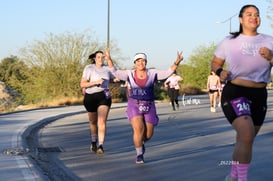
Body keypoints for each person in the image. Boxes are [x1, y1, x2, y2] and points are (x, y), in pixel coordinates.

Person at [211, 5, 273, 181]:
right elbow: (215, 62)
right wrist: (220, 72)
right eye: (249, 14)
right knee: (246, 134)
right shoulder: (229, 41)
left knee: (245, 139)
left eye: (257, 14)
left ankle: (232, 174)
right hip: (236, 91)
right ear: (240, 19)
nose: (254, 17)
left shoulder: (269, 41)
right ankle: (242, 179)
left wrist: (270, 58)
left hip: (259, 95)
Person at [106, 50, 183, 164]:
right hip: (134, 104)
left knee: (147, 135)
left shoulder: (152, 73)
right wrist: (108, 58)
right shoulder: (129, 74)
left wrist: (177, 62)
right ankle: (139, 154)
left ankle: (141, 143)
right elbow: (114, 71)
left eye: (142, 60)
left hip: (149, 105)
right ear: (134, 63)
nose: (140, 63)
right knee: (138, 129)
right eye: (138, 61)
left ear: (146, 62)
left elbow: (168, 72)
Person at [80, 50, 116, 155]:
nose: (100, 59)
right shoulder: (89, 68)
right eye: (98, 57)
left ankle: (101, 145)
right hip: (90, 97)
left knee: (102, 121)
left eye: (102, 57)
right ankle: (93, 142)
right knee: (93, 122)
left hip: (103, 96)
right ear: (94, 59)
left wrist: (116, 79)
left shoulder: (107, 69)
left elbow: (113, 74)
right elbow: (82, 84)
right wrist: (96, 82)